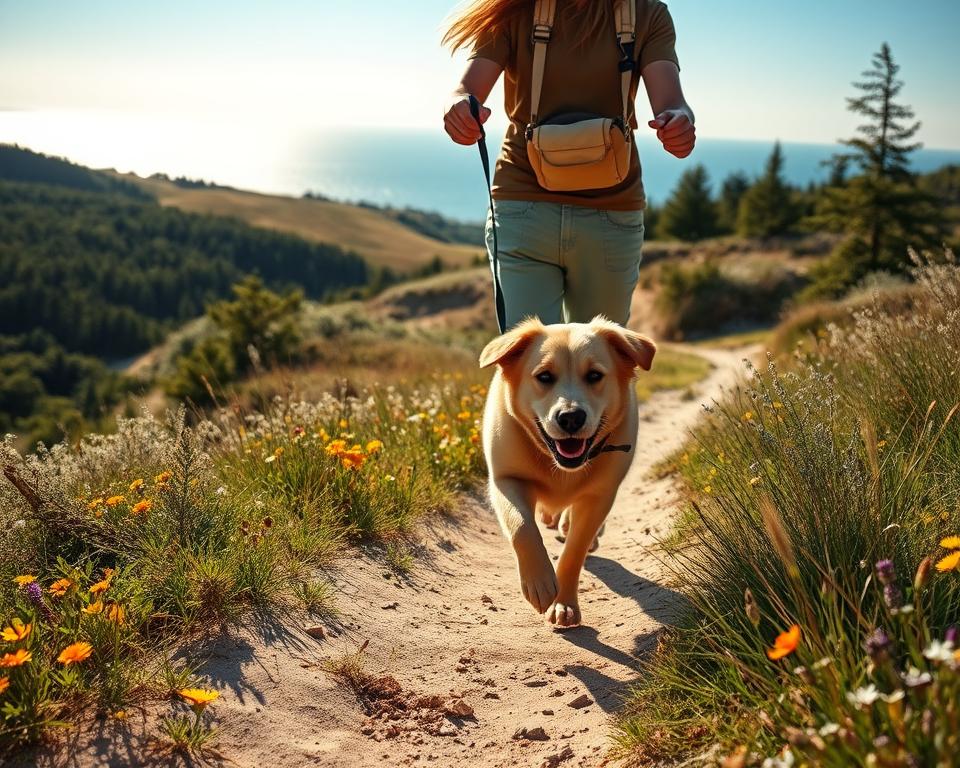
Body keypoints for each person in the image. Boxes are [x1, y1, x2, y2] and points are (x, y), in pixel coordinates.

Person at [442, 0, 695, 329]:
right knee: (526, 366)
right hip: (523, 211)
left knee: (603, 368)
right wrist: (459, 107)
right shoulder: (514, 9)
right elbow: (466, 90)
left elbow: (673, 104)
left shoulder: (648, 13)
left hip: (610, 217)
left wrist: (679, 123)